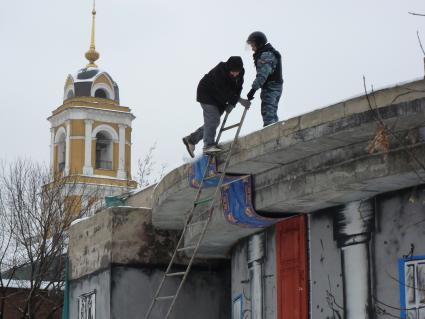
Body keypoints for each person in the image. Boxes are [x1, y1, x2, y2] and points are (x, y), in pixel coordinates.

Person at [183, 56, 251, 158]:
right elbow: (223, 90)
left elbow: (238, 88)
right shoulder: (220, 70)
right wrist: (239, 100)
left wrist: (232, 104)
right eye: (233, 71)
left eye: (237, 71)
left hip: (220, 99)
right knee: (213, 119)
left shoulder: (241, 72)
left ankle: (191, 139)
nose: (235, 74)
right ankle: (208, 146)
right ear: (228, 68)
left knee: (213, 121)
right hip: (207, 93)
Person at [246, 31, 283, 127]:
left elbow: (262, 75)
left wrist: (253, 90)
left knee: (268, 114)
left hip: (271, 87)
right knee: (271, 113)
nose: (252, 48)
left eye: (253, 45)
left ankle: (271, 136)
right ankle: (275, 135)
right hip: (274, 86)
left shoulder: (266, 55)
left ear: (259, 43)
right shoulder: (266, 53)